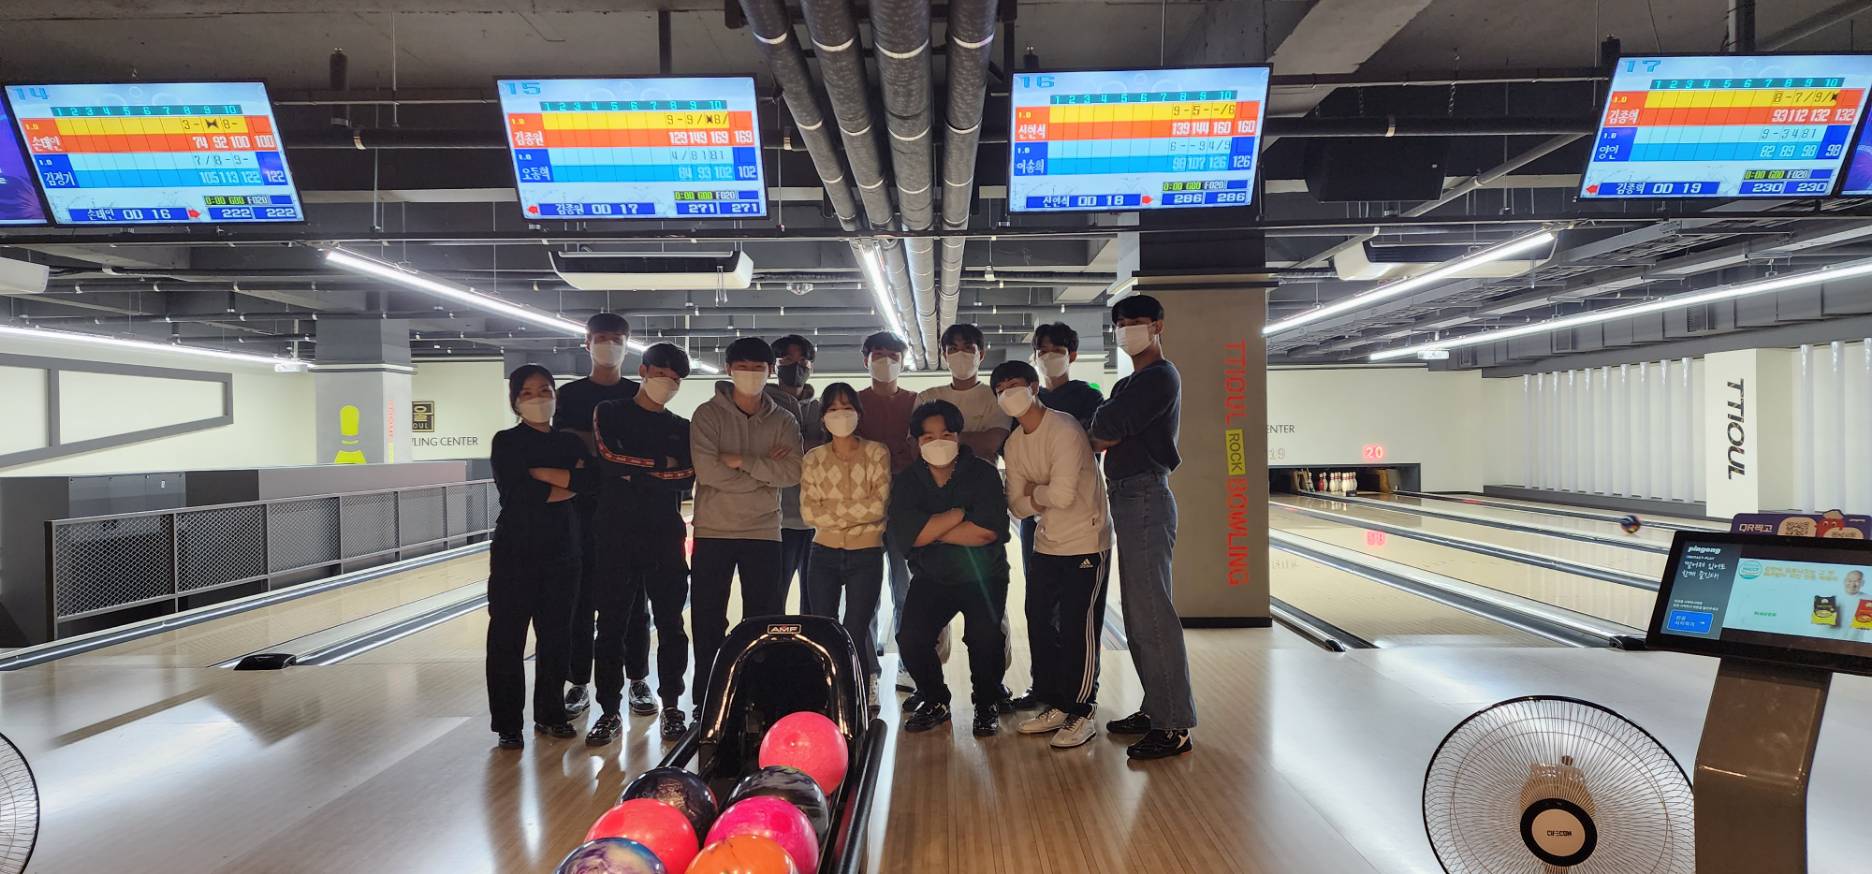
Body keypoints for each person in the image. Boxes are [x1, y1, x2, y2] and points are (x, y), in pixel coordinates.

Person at [1090, 294, 1196, 760]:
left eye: (1136, 321)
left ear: (1158, 326)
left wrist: (1107, 424)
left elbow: (1106, 427)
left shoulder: (1160, 376)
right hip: (1128, 496)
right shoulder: (1128, 382)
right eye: (1121, 322)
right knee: (1137, 614)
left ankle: (1174, 725)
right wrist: (1106, 425)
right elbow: (1103, 429)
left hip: (1145, 494)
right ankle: (1157, 707)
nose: (1127, 329)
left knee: (1152, 613)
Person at [992, 360, 1111, 750]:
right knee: (1040, 620)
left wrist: (1034, 493)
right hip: (1047, 542)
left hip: (1086, 541)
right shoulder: (1014, 443)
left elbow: (1060, 496)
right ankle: (1058, 701)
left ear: (1033, 387)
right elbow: (1016, 506)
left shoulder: (1064, 429)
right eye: (1001, 390)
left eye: (1014, 385)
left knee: (1079, 626)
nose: (1008, 394)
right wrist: (1036, 497)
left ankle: (1082, 709)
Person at [587, 344, 696, 744]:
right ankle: (609, 711)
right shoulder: (609, 411)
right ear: (644, 370)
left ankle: (672, 707)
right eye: (662, 373)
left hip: (665, 535)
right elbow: (608, 458)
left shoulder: (682, 426)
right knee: (611, 625)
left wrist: (637, 470)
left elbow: (687, 475)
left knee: (671, 624)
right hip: (614, 534)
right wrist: (659, 465)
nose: (668, 382)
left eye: (675, 379)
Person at [689, 337, 804, 703]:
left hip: (764, 532)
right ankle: (707, 699)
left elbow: (792, 472)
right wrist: (764, 472)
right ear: (729, 370)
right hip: (713, 531)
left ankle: (759, 696)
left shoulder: (784, 419)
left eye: (758, 368)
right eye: (743, 367)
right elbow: (708, 472)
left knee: (764, 621)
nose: (751, 374)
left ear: (770, 371)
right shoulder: (707, 415)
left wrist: (741, 461)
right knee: (708, 620)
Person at [553, 313, 656, 721]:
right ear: (587, 342)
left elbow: (642, 452)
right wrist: (614, 448)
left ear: (628, 345)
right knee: (579, 604)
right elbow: (566, 445)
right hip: (580, 515)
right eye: (600, 337)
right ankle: (579, 681)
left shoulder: (638, 394)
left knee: (634, 605)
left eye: (616, 338)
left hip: (630, 515)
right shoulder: (569, 395)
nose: (608, 344)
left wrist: (596, 446)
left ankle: (638, 679)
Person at [888, 400, 1011, 737]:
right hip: (932, 577)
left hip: (984, 576)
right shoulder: (908, 481)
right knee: (911, 638)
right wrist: (959, 514)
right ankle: (935, 699)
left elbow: (987, 532)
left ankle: (986, 702)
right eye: (928, 437)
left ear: (958, 436)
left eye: (946, 434)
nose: (938, 442)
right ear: (916, 442)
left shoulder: (983, 473)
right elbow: (908, 536)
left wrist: (931, 529)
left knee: (985, 638)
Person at [486, 365, 591, 749]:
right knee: (506, 639)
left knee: (556, 638)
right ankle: (508, 724)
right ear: (515, 401)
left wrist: (543, 475)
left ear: (555, 396)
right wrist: (567, 482)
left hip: (563, 551)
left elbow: (590, 484)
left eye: (544, 390)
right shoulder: (506, 441)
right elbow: (519, 495)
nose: (537, 398)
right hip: (515, 553)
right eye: (527, 392)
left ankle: (551, 714)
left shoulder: (569, 442)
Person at [1010, 322, 1105, 711]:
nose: (1049, 356)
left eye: (1057, 349)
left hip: (1080, 519)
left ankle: (1080, 690)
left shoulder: (1087, 396)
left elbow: (1088, 451)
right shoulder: (1026, 400)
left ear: (1072, 355)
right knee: (1039, 607)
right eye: (1042, 350)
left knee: (1077, 613)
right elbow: (1019, 472)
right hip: (1037, 522)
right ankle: (1044, 686)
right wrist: (1038, 492)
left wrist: (1041, 487)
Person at [799, 382, 892, 704]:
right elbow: (809, 513)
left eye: (847, 408)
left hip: (866, 554)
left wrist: (833, 511)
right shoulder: (814, 458)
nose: (841, 415)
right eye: (833, 409)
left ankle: (863, 688)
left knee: (856, 627)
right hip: (822, 554)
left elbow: (879, 506)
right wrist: (856, 513)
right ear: (823, 417)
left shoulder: (877, 452)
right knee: (824, 627)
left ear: (859, 413)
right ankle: (829, 691)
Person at [855, 331, 919, 678]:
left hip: (905, 510)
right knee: (864, 593)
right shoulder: (854, 403)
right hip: (862, 510)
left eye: (893, 356)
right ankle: (866, 667)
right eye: (878, 354)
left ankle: (911, 663)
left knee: (905, 589)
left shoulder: (915, 401)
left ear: (903, 362)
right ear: (865, 359)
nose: (886, 362)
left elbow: (917, 453)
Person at [771, 334, 824, 612]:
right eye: (788, 359)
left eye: (803, 360)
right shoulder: (763, 406)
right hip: (776, 521)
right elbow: (765, 452)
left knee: (815, 603)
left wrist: (793, 447)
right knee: (772, 601)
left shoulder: (820, 408)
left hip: (819, 522)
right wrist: (810, 446)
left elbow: (830, 452)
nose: (796, 365)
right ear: (775, 365)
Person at [915, 323, 1012, 460]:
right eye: (953, 349)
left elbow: (991, 443)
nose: (960, 354)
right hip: (933, 474)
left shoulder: (996, 396)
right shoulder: (927, 397)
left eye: (968, 348)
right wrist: (973, 438)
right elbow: (915, 445)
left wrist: (937, 440)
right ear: (945, 356)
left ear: (981, 354)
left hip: (981, 473)